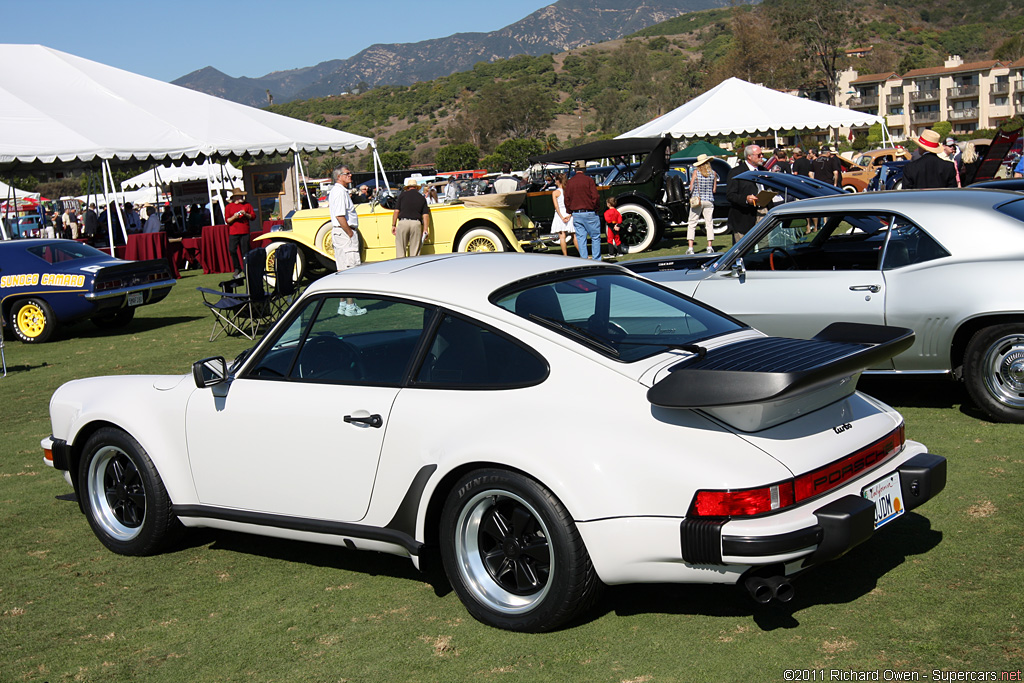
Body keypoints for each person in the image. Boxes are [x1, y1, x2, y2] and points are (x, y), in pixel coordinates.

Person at [328, 165, 366, 316]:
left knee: (342, 269)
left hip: (341, 232)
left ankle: (343, 304)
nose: (350, 176)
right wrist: (349, 232)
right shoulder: (339, 192)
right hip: (345, 232)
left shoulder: (338, 192)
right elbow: (340, 215)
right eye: (347, 174)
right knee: (350, 269)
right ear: (339, 176)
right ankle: (350, 305)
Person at [725, 144, 763, 244]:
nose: (761, 157)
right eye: (759, 155)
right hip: (744, 217)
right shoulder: (736, 172)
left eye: (762, 154)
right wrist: (746, 199)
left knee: (764, 246)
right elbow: (730, 195)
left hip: (763, 213)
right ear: (749, 156)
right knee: (743, 248)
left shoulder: (763, 170)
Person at [563, 160, 601, 260]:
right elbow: (595, 196)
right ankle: (596, 259)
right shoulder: (589, 180)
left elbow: (566, 198)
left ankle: (584, 259)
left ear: (575, 169)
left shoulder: (570, 182)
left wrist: (570, 211)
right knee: (595, 237)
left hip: (576, 214)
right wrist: (595, 207)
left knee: (581, 238)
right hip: (589, 212)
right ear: (584, 169)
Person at [686, 154, 717, 254]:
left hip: (697, 200)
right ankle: (709, 246)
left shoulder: (696, 172)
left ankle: (691, 248)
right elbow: (714, 190)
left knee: (692, 223)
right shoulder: (713, 173)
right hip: (709, 200)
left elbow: (691, 188)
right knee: (709, 223)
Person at [391, 180, 431, 258]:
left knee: (400, 249)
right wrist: (425, 229)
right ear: (416, 187)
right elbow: (425, 215)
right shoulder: (421, 198)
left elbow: (396, 211)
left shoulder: (402, 196)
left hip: (403, 222)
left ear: (407, 187)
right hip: (416, 223)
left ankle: (401, 267)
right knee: (415, 251)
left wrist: (393, 225)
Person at [225, 188, 254, 278]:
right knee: (232, 250)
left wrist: (245, 214)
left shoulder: (247, 205)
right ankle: (237, 268)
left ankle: (247, 269)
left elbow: (253, 217)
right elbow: (228, 220)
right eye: (238, 196)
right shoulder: (229, 207)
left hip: (245, 231)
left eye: (241, 196)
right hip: (234, 232)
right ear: (234, 197)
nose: (240, 197)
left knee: (245, 251)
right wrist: (234, 217)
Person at [550, 173, 577, 257]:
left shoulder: (555, 192)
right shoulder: (568, 191)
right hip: (569, 212)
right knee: (574, 235)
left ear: (558, 181)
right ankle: (583, 254)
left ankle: (565, 255)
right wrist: (569, 215)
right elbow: (573, 203)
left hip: (560, 214)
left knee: (562, 236)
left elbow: (556, 206)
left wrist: (561, 217)